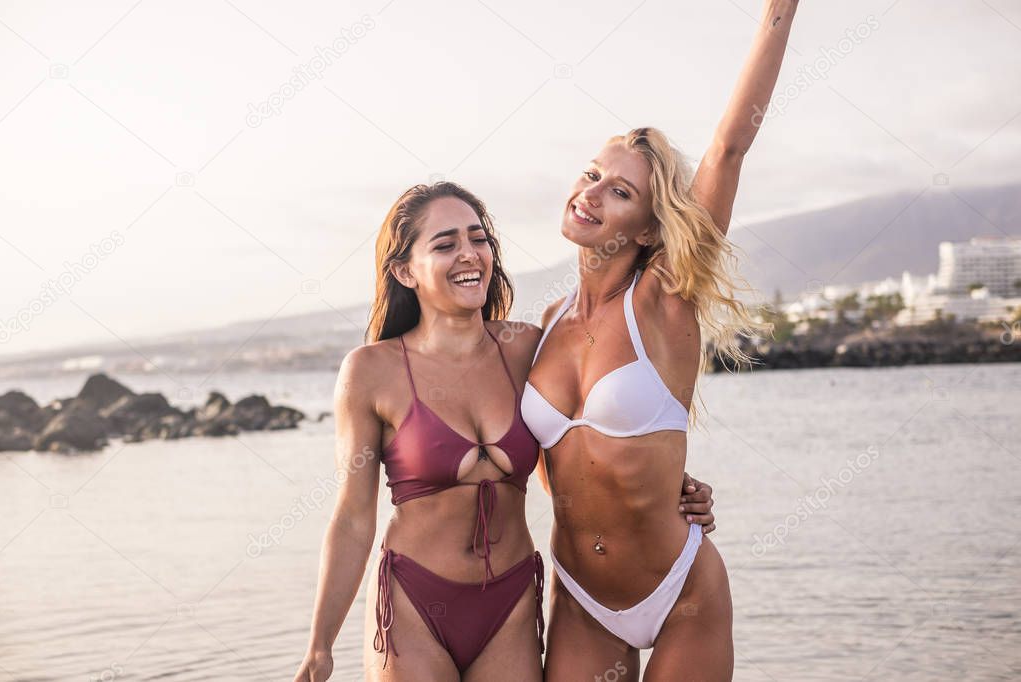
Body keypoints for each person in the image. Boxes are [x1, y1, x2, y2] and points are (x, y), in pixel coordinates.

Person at [292, 182, 716, 682]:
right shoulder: (370, 371)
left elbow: (588, 444)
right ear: (405, 271)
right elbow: (352, 517)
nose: (469, 254)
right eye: (445, 244)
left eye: (479, 238)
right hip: (413, 603)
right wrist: (320, 646)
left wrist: (667, 488)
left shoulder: (526, 348)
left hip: (510, 605)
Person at [522, 3, 800, 680]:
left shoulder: (664, 302)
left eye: (617, 192)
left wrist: (778, 13)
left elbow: (730, 145)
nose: (590, 194)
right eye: (591, 175)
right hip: (582, 599)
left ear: (647, 229)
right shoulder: (543, 325)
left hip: (680, 593)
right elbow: (546, 459)